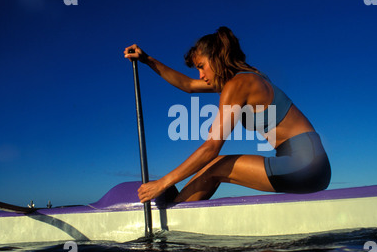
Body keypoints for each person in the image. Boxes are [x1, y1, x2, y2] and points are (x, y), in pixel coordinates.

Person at [124, 26, 331, 203]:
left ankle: (175, 218)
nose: (201, 75)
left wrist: (163, 183)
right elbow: (188, 85)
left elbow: (211, 148)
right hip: (310, 161)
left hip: (305, 163)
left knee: (217, 165)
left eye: (201, 66)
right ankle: (180, 206)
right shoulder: (248, 78)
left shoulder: (239, 84)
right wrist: (147, 59)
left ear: (217, 58)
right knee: (216, 165)